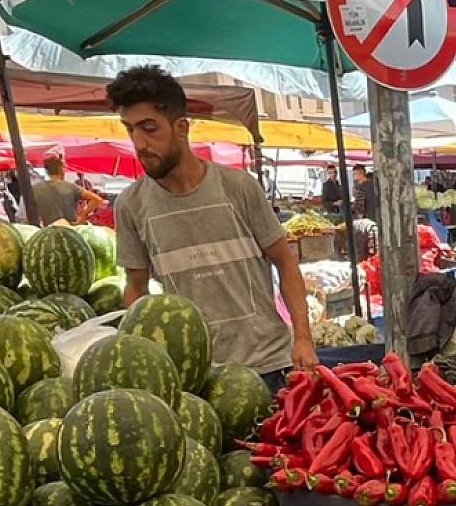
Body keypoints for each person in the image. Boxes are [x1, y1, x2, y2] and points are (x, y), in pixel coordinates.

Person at [107, 65, 316, 388]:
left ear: (181, 127)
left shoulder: (238, 187)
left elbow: (285, 262)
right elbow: (136, 292)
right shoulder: (131, 205)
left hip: (269, 365)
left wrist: (302, 337)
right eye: (130, 129)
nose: (139, 142)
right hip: (198, 377)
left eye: (149, 128)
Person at [33, 156, 106, 225]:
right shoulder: (70, 187)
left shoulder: (35, 189)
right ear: (61, 170)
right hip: (70, 229)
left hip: (46, 231)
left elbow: (29, 215)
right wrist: (81, 216)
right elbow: (96, 199)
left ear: (47, 171)